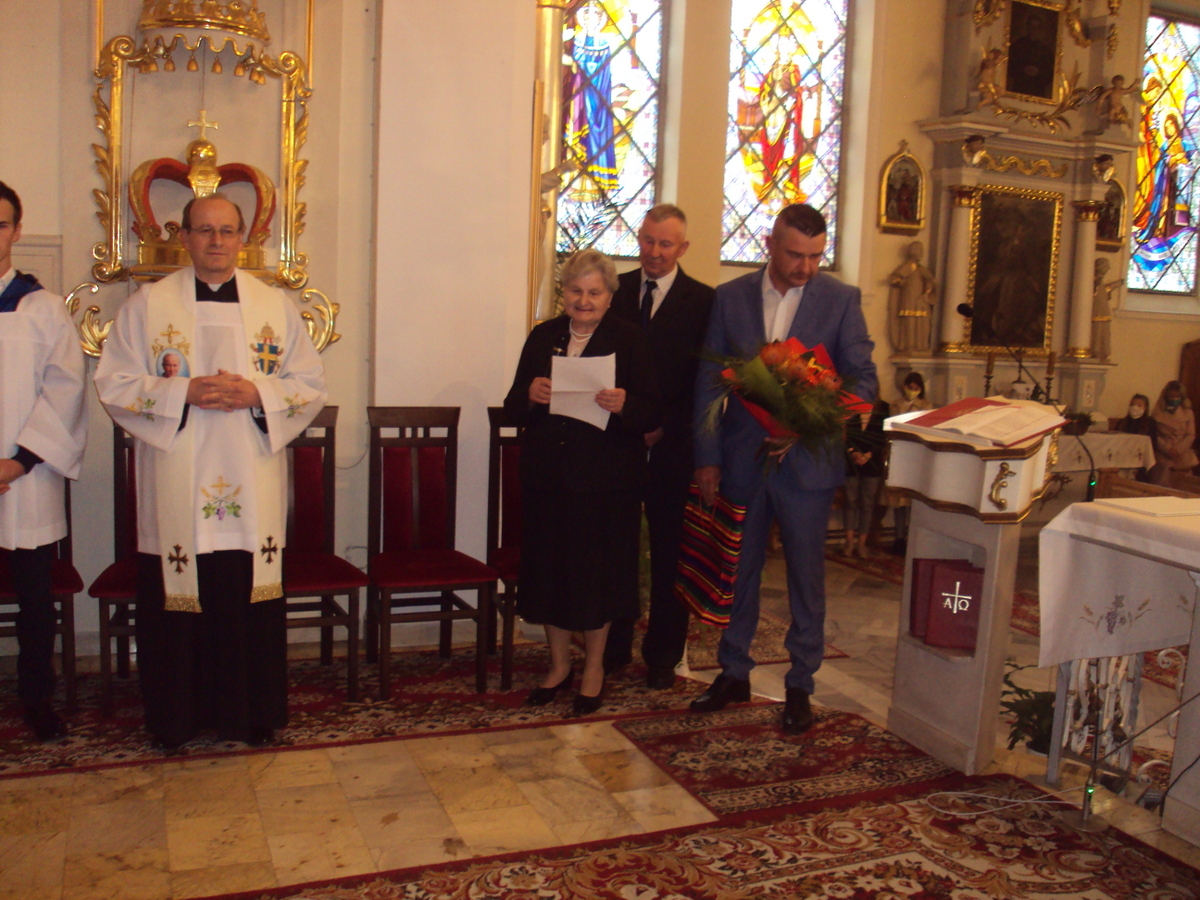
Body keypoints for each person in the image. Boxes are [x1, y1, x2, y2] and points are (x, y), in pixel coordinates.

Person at [95, 193, 327, 749]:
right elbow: (114, 384)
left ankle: (253, 716)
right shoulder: (147, 306)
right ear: (185, 237)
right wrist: (184, 392)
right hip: (178, 474)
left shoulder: (275, 307)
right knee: (180, 598)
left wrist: (257, 393)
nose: (216, 241)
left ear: (243, 238)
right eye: (204, 230)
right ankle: (175, 719)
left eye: (226, 231)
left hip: (252, 472)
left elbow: (310, 385)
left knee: (246, 595)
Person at [690, 203, 877, 735]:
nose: (806, 267)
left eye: (816, 256)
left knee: (805, 577)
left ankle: (800, 683)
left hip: (807, 463)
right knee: (739, 571)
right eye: (796, 254)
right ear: (770, 244)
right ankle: (733, 671)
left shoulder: (841, 299)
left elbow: (864, 379)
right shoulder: (730, 297)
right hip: (742, 458)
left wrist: (813, 422)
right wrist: (706, 457)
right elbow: (708, 381)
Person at [503, 249, 661, 716]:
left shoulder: (629, 339)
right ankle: (558, 667)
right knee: (551, 576)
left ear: (610, 296)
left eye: (594, 292)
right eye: (576, 290)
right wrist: (530, 395)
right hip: (548, 480)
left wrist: (625, 404)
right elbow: (512, 407)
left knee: (596, 581)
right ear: (564, 293)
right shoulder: (543, 336)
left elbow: (653, 412)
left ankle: (593, 669)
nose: (584, 300)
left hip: (605, 486)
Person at [605, 205, 715, 689]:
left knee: (671, 553)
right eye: (647, 240)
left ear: (682, 248)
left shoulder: (704, 301)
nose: (653, 251)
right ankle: (611, 650)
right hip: (617, 443)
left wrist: (662, 425)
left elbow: (705, 380)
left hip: (673, 449)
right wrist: (630, 419)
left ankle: (664, 656)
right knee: (617, 548)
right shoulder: (615, 290)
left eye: (665, 244)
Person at [0, 181, 88, 741]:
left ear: (16, 230)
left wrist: (18, 462)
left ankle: (38, 701)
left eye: (0, 223)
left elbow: (65, 389)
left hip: (25, 477)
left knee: (35, 603)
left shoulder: (44, 308)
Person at [888, 372, 931, 554]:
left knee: (913, 501)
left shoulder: (926, 406)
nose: (912, 390)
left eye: (916, 388)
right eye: (909, 387)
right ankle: (899, 537)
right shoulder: (895, 404)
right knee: (898, 501)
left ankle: (913, 538)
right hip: (898, 454)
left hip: (915, 456)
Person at [842, 399, 889, 559]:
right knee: (850, 502)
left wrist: (868, 455)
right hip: (852, 464)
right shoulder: (852, 415)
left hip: (872, 466)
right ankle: (849, 543)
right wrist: (853, 453)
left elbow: (881, 439)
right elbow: (846, 438)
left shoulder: (880, 417)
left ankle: (861, 543)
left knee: (867, 505)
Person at [887, 241, 936, 355]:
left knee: (922, 323)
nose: (921, 253)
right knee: (909, 322)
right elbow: (895, 279)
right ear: (912, 252)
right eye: (919, 250)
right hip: (908, 299)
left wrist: (927, 292)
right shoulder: (905, 267)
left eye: (921, 251)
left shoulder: (922, 269)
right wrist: (898, 280)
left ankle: (921, 346)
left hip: (921, 301)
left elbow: (932, 281)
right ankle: (909, 345)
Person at [1150, 381, 1197, 486]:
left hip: (1182, 456)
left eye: (1177, 397)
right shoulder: (1157, 412)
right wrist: (1167, 448)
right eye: (1171, 396)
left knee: (1183, 486)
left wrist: (1178, 449)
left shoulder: (1188, 412)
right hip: (1163, 455)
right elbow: (1154, 434)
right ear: (1166, 396)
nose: (1174, 399)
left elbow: (1190, 435)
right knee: (1161, 484)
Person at [1115, 393, 1157, 482]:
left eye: (1139, 405)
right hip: (1123, 459)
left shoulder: (1150, 423)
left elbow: (1153, 444)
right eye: (1132, 404)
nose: (1135, 407)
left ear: (1145, 408)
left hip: (1140, 463)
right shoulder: (1122, 423)